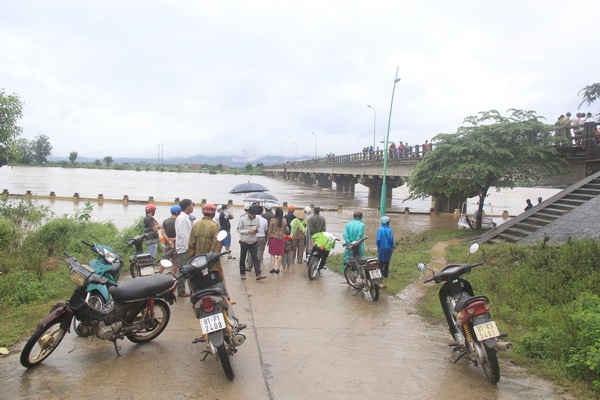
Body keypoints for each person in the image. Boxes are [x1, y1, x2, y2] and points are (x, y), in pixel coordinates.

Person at [237, 205, 266, 281]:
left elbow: (258, 228)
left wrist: (256, 231)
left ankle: (258, 274)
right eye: (252, 214)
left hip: (254, 241)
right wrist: (248, 231)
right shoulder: (242, 219)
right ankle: (242, 274)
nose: (253, 216)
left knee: (255, 258)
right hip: (244, 241)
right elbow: (239, 230)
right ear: (248, 213)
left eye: (255, 214)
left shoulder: (257, 219)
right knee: (242, 258)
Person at [175, 199, 194, 297]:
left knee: (185, 269)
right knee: (183, 270)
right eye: (192, 205)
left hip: (184, 248)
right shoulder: (183, 218)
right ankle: (181, 291)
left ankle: (186, 290)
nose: (193, 207)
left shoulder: (184, 217)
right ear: (187, 207)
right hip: (184, 249)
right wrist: (189, 248)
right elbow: (184, 235)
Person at [266, 208, 286, 273]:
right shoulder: (284, 221)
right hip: (281, 239)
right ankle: (278, 269)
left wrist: (267, 239)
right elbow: (285, 230)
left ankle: (273, 268)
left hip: (273, 238)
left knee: (272, 254)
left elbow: (269, 231)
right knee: (280, 254)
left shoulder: (272, 220)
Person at [376, 216, 394, 283]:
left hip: (381, 248)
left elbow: (378, 240)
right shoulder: (389, 230)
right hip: (388, 248)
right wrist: (392, 247)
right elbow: (391, 240)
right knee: (387, 262)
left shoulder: (380, 229)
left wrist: (378, 247)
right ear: (387, 222)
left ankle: (380, 275)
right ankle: (385, 275)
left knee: (380, 262)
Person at [255, 206, 268, 270]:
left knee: (251, 251)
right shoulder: (264, 220)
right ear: (262, 212)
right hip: (262, 237)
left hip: (253, 237)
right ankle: (258, 266)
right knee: (260, 252)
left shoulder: (253, 218)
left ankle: (249, 265)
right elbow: (266, 230)